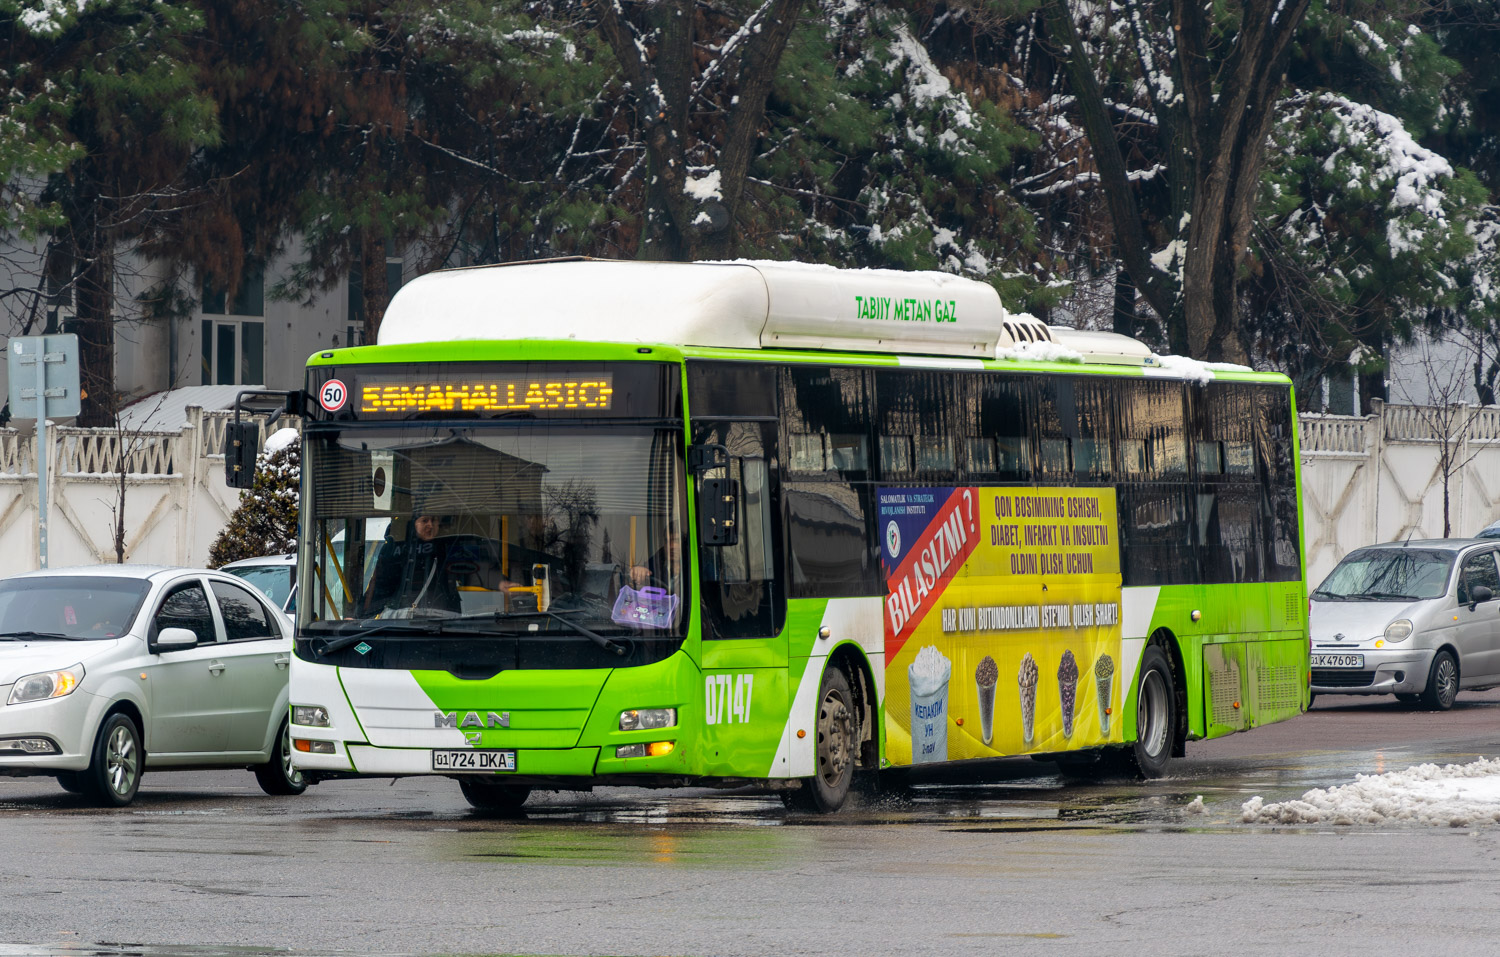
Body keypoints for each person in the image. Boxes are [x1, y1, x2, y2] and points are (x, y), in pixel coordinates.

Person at [359, 514, 463, 617]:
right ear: (414, 524)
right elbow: (380, 585)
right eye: (425, 520)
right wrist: (359, 616)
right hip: (401, 620)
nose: (430, 525)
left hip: (442, 619)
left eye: (434, 520)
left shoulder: (449, 547)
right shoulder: (394, 549)